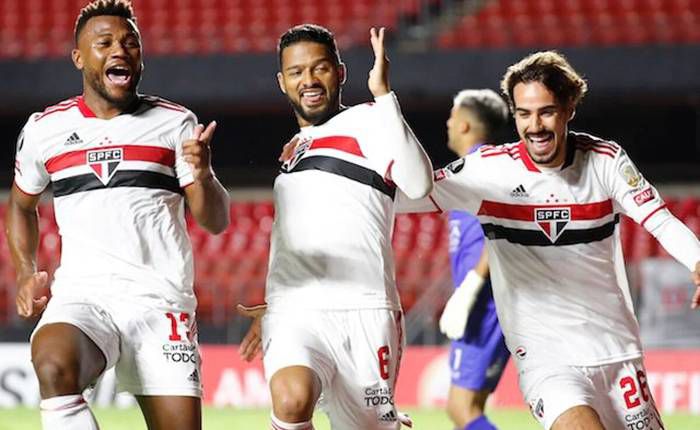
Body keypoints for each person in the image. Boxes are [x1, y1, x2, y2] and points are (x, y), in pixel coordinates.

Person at [397, 51, 700, 430]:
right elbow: (404, 196)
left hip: (616, 353)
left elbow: (661, 221)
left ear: (570, 108)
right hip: (547, 360)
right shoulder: (491, 171)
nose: (535, 125)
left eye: (546, 112)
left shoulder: (605, 161)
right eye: (524, 114)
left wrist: (696, 259)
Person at [5, 1, 230, 429]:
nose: (119, 51)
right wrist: (25, 271)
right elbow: (21, 204)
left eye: (131, 43)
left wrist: (202, 174)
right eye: (104, 42)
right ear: (78, 57)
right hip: (84, 296)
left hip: (159, 301)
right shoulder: (44, 130)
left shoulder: (176, 123)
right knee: (52, 362)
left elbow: (215, 220)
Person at [240, 24, 433, 430]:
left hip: (365, 310)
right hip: (297, 311)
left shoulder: (370, 121)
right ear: (282, 82)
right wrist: (274, 301)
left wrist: (383, 96)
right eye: (296, 72)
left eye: (320, 68)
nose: (308, 80)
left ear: (340, 73)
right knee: (291, 401)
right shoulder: (296, 148)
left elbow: (418, 183)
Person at [438, 90, 511, 430]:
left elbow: (498, 235)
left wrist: (470, 288)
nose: (448, 123)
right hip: (487, 302)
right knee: (469, 406)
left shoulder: (480, 168)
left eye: (452, 116)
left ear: (465, 124)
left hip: (486, 304)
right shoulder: (480, 167)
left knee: (461, 408)